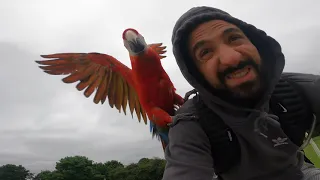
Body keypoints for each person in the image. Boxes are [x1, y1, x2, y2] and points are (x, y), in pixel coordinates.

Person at [162, 6, 320, 180]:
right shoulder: (191, 123)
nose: (232, 58)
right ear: (196, 75)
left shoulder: (297, 88)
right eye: (205, 52)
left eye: (234, 38)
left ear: (256, 44)